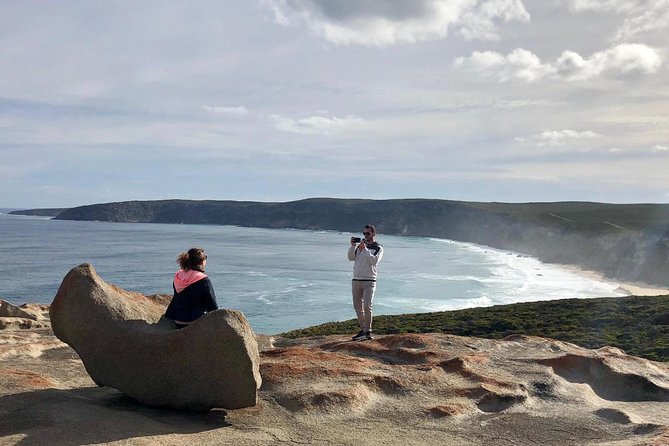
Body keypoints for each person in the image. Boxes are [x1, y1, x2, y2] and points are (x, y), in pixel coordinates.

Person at [164, 247, 218, 329]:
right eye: (205, 258)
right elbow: (213, 306)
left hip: (177, 320)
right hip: (194, 321)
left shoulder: (178, 276)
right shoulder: (203, 279)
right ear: (201, 262)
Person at [348, 224, 383, 340]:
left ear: (373, 233)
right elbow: (351, 258)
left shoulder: (378, 248)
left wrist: (366, 249)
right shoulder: (360, 247)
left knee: (367, 306)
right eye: (364, 233)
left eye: (368, 233)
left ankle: (368, 331)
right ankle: (363, 330)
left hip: (369, 280)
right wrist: (353, 246)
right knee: (357, 307)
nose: (365, 235)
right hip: (356, 280)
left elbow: (373, 261)